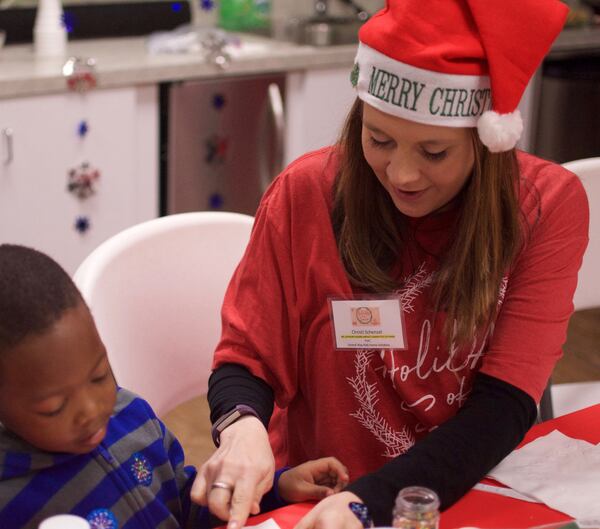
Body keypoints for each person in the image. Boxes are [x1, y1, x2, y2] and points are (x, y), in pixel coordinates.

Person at [191, 0, 590, 528]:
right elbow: (246, 357)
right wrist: (243, 429)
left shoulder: (544, 206)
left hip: (466, 486)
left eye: (434, 152)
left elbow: (504, 406)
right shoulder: (306, 193)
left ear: (488, 143)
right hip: (318, 494)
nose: (401, 174)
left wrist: (371, 500)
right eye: (379, 140)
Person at [0, 244, 350, 529]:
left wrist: (279, 487)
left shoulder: (131, 417)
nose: (92, 410)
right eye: (54, 407)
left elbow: (186, 504)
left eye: (99, 376)